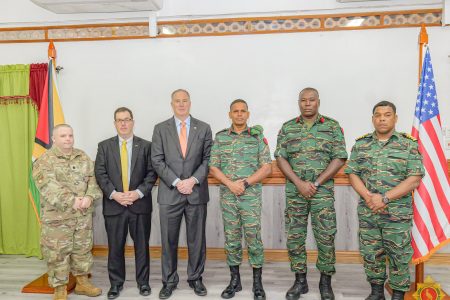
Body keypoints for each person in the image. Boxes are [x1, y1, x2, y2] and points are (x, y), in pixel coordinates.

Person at [345, 101, 423, 300]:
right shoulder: (361, 145)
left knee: (399, 256)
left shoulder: (408, 144)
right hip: (369, 211)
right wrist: (368, 197)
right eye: (378, 115)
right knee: (371, 254)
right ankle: (376, 292)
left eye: (387, 115)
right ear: (372, 119)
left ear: (395, 118)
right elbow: (353, 174)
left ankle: (398, 295)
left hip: (397, 214)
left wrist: (385, 198)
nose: (382, 118)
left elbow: (414, 179)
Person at [274, 87, 347, 300]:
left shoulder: (332, 126)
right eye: (303, 100)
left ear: (318, 102)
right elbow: (280, 157)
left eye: (311, 100)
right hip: (295, 191)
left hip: (321, 192)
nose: (307, 103)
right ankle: (300, 281)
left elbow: (340, 157)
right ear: (299, 103)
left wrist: (315, 183)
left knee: (325, 236)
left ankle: (325, 282)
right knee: (295, 236)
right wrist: (298, 183)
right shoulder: (288, 128)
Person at [151, 89, 213, 299]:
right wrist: (178, 182)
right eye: (177, 101)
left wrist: (192, 181)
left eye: (184, 100)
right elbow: (157, 161)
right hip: (170, 193)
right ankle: (169, 281)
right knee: (168, 240)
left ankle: (195, 278)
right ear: (172, 104)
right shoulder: (160, 129)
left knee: (197, 239)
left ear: (190, 103)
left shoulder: (204, 128)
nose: (181, 104)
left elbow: (207, 160)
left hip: (196, 192)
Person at [209, 99, 272, 300]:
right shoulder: (220, 138)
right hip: (228, 197)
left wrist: (244, 183)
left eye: (242, 111)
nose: (239, 114)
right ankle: (234, 281)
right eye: (235, 111)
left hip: (250, 197)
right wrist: (230, 184)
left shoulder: (257, 137)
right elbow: (213, 167)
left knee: (254, 238)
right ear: (230, 114)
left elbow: (266, 168)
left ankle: (257, 284)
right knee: (232, 239)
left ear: (248, 114)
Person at [32, 124, 102, 300]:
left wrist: (90, 197)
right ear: (54, 139)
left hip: (82, 217)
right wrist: (73, 201)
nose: (68, 139)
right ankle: (60, 288)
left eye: (70, 135)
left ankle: (82, 283)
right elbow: (48, 186)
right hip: (58, 218)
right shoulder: (44, 161)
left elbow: (94, 180)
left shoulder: (83, 157)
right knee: (57, 253)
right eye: (63, 136)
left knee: (82, 250)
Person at [95, 107, 157, 299]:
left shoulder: (146, 146)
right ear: (114, 124)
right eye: (119, 120)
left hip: (139, 205)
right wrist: (114, 194)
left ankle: (143, 283)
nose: (123, 123)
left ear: (133, 122)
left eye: (127, 119)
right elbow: (100, 173)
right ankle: (116, 284)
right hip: (114, 205)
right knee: (115, 247)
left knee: (142, 246)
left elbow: (151, 173)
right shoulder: (104, 146)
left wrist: (138, 193)